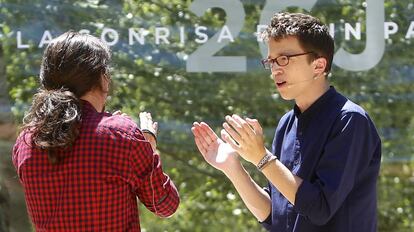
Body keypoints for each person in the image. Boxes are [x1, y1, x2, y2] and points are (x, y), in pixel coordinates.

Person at [192, 12, 381, 232]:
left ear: (319, 66)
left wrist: (262, 158)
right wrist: (232, 168)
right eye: (271, 61)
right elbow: (275, 216)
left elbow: (320, 208)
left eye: (284, 59)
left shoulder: (349, 120)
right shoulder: (287, 123)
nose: (275, 70)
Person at [12, 31, 179, 231]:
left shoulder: (26, 141)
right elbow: (165, 205)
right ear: (101, 78)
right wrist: (147, 147)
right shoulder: (121, 135)